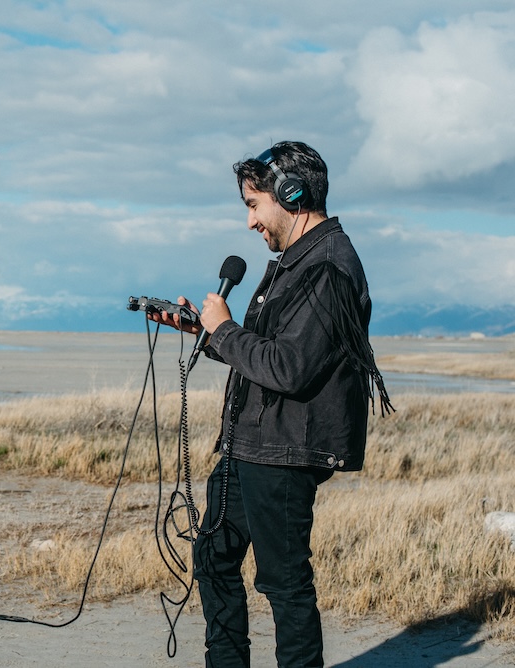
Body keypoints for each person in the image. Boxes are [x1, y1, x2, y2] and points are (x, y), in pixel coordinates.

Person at [150, 141, 390, 667]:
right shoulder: (293, 262)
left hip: (287, 450)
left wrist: (225, 329)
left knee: (284, 584)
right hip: (252, 443)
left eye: (254, 205)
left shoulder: (328, 267)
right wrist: (207, 332)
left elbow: (290, 367)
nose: (251, 221)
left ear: (291, 194)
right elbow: (264, 352)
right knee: (213, 558)